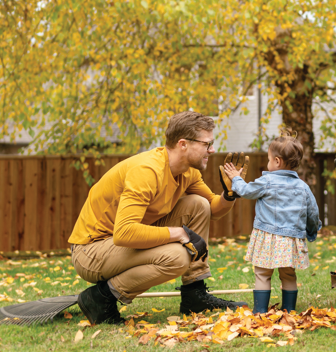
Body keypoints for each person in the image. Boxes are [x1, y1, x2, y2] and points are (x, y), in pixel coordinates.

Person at [68, 111, 248, 325]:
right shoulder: (147, 171)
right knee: (177, 257)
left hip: (120, 243)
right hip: (91, 250)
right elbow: (124, 233)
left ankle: (194, 294)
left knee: (199, 205)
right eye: (207, 144)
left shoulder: (187, 171)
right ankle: (101, 297)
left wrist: (229, 194)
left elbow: (212, 210)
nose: (212, 150)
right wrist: (179, 233)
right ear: (183, 144)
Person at [223, 128, 322, 314]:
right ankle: (289, 310)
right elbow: (313, 212)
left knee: (262, 273)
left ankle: (260, 311)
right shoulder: (303, 187)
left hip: (267, 237)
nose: (267, 163)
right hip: (291, 240)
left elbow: (246, 191)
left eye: (269, 160)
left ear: (277, 161)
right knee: (288, 275)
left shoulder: (266, 182)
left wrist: (236, 178)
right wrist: (311, 230)